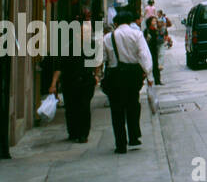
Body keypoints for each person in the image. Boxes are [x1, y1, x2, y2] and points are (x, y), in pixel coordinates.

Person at [100, 9, 152, 154]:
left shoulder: (108, 37)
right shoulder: (137, 34)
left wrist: (98, 74)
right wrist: (148, 74)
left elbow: (102, 58)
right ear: (130, 21)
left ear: (115, 23)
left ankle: (120, 144)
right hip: (133, 75)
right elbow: (144, 55)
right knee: (133, 105)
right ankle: (134, 137)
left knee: (116, 110)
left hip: (115, 75)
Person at [48, 13, 96, 143]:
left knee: (84, 107)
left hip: (86, 82)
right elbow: (59, 67)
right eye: (81, 32)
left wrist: (96, 76)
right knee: (71, 109)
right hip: (70, 82)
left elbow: (96, 63)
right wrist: (53, 84)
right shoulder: (67, 48)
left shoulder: (91, 46)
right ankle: (73, 132)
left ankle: (83, 134)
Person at [144, 7, 170, 86]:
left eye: (155, 21)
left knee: (155, 65)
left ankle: (157, 80)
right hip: (149, 50)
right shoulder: (147, 30)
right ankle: (150, 80)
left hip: (154, 49)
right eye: (153, 21)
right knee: (149, 66)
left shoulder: (155, 30)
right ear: (150, 22)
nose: (155, 22)